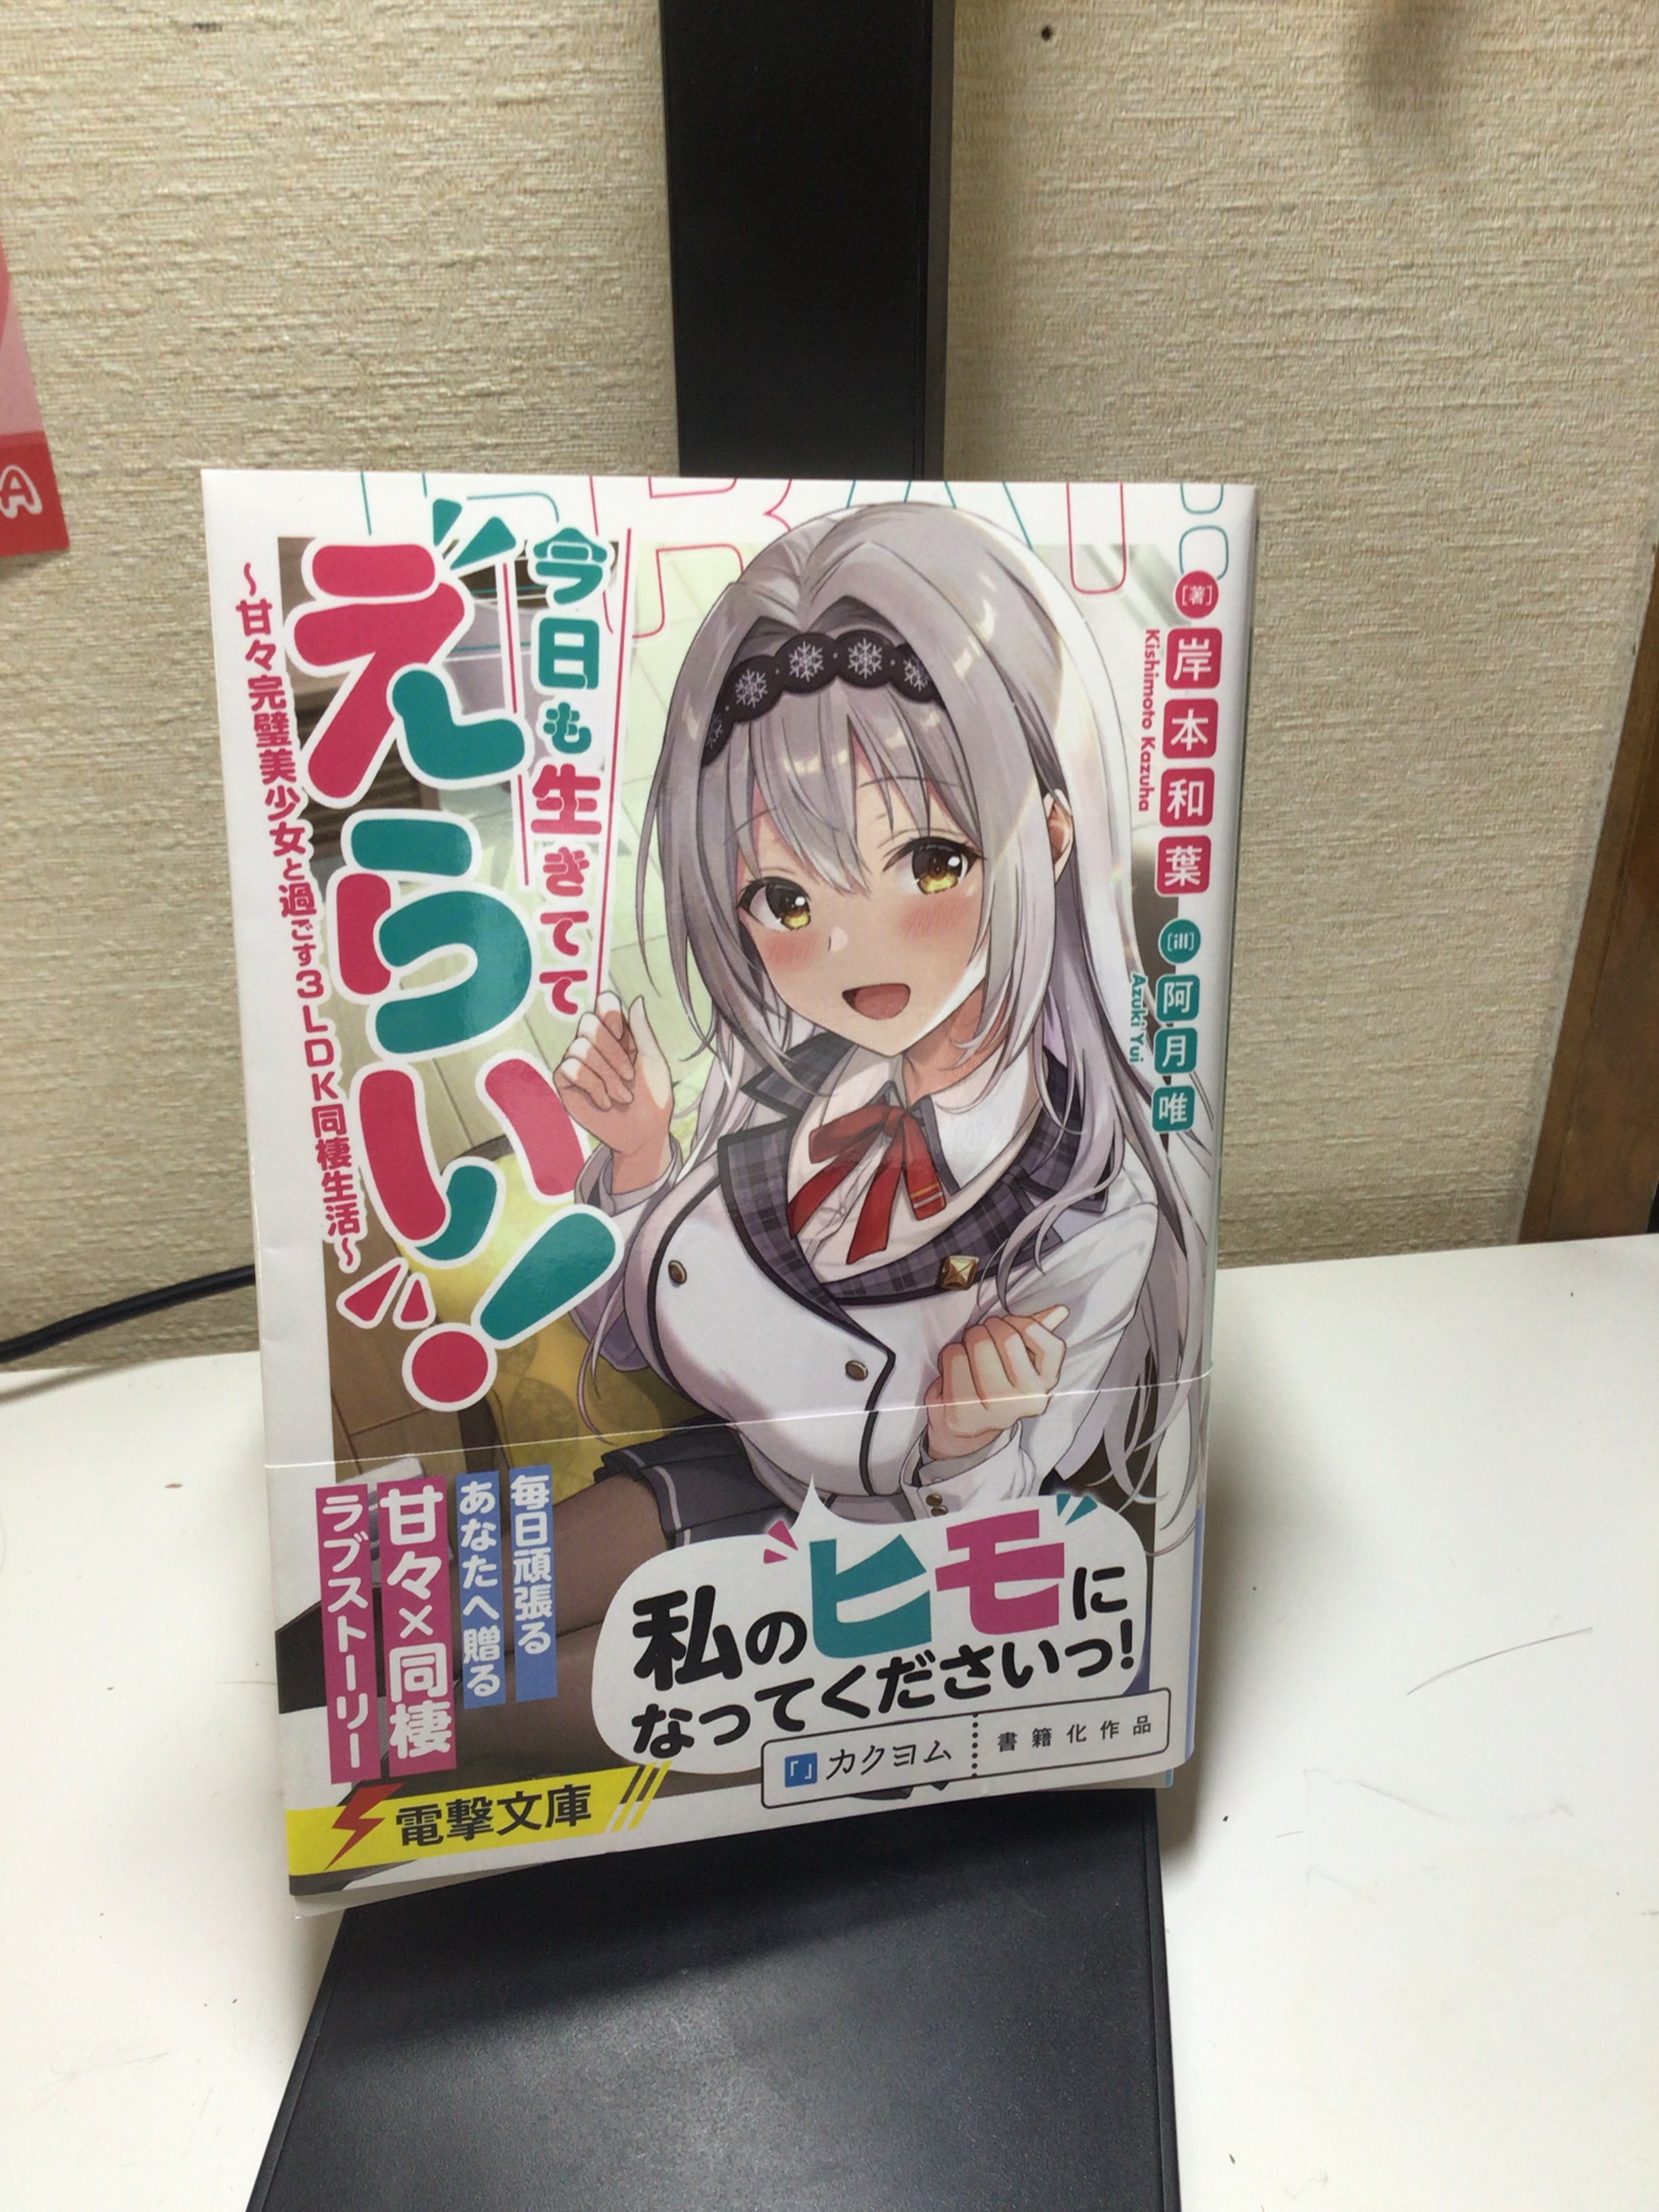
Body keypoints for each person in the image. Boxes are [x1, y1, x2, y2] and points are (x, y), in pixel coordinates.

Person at [488, 501, 1210, 1774]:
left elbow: (995, 1533)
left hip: (880, 1596)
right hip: (731, 1472)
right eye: (782, 896)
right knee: (433, 1632)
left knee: (506, 1713)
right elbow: (645, 1335)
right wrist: (642, 1161)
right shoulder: (777, 1078)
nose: (845, 946)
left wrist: (968, 1439)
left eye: (930, 862)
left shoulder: (1087, 1201)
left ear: (1044, 839)